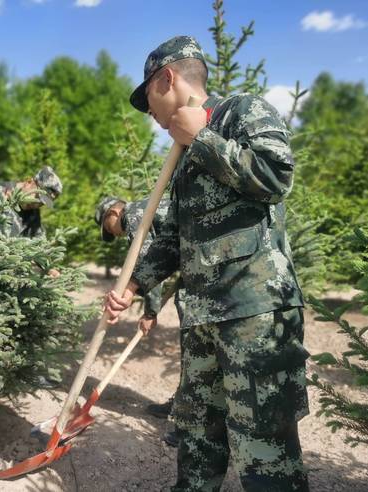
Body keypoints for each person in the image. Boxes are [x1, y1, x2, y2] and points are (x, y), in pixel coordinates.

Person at [103, 36, 309, 491]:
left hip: (254, 314)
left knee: (264, 446)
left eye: (148, 98)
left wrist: (203, 138)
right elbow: (174, 237)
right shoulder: (179, 157)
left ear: (167, 79)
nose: (149, 113)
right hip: (201, 318)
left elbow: (276, 175)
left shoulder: (241, 112)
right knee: (197, 436)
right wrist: (133, 286)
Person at [95, 195, 183, 446]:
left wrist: (150, 314)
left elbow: (150, 263)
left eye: (108, 228)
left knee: (197, 344)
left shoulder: (135, 215)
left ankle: (190, 415)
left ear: (113, 213)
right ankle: (185, 406)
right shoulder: (146, 208)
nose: (115, 235)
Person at [0, 165, 62, 240]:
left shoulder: (33, 214)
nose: (36, 204)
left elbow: (38, 242)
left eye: (41, 203)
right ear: (29, 182)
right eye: (37, 197)